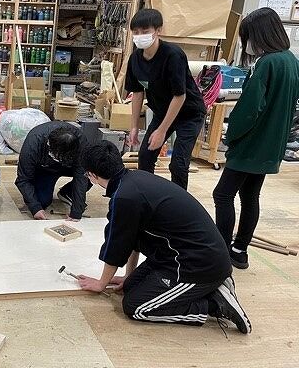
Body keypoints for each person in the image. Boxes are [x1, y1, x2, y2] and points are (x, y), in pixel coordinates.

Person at [77, 141, 251, 334]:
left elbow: (116, 247)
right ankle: (206, 289)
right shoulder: (133, 181)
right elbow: (131, 238)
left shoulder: (124, 197)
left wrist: (101, 283)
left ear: (93, 175)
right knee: (130, 287)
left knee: (136, 307)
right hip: (178, 255)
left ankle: (214, 303)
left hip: (197, 264)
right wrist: (128, 276)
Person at [213, 7, 299, 269]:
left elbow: (250, 109)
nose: (247, 44)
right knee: (250, 195)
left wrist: (231, 135)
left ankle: (221, 251)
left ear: (260, 35)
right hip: (271, 144)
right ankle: (239, 250)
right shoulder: (291, 61)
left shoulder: (267, 63)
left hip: (251, 144)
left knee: (222, 194)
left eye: (248, 36)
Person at [125, 8, 207, 190]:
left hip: (189, 114)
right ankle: (147, 196)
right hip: (162, 112)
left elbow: (180, 95)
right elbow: (137, 93)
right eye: (136, 32)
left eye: (145, 31)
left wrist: (162, 131)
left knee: (178, 164)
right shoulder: (135, 59)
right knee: (145, 156)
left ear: (158, 30)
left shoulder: (173, 55)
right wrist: (134, 126)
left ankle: (178, 202)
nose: (140, 36)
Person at [15, 121, 91, 222]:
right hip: (45, 169)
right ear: (48, 144)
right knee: (42, 202)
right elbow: (23, 180)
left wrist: (76, 211)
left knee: (94, 174)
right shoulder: (33, 144)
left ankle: (67, 193)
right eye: (56, 156)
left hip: (68, 167)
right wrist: (35, 207)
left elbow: (81, 176)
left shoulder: (81, 143)